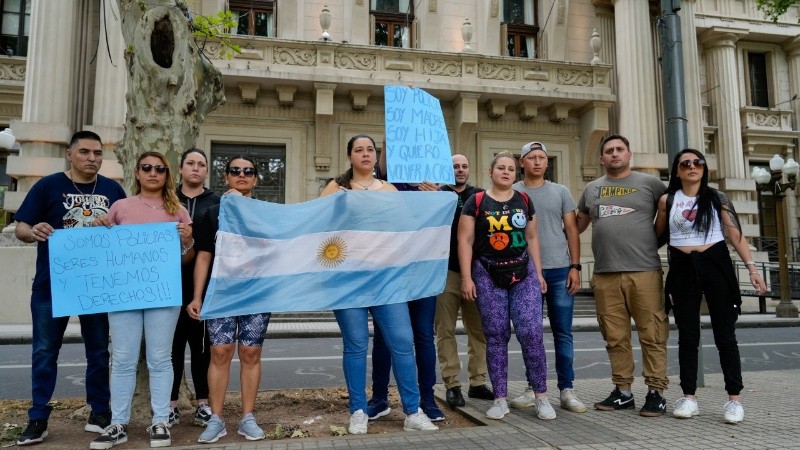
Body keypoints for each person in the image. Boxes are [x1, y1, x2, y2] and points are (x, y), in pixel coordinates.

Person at [13, 131, 126, 446]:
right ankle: (37, 419)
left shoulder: (112, 189)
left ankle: (100, 412)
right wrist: (33, 230)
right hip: (52, 285)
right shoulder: (48, 186)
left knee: (100, 351)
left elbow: (127, 230)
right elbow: (20, 226)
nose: (92, 158)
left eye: (98, 153)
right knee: (45, 351)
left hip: (96, 285)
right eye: (86, 152)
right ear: (70, 154)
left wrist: (114, 226)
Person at [320, 134, 439, 434]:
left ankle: (413, 412)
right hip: (347, 279)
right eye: (358, 150)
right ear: (350, 156)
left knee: (402, 340)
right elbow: (314, 223)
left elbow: (407, 225)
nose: (365, 154)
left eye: (370, 149)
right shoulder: (336, 187)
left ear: (376, 156)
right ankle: (358, 410)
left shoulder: (388, 189)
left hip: (387, 278)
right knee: (356, 344)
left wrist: (431, 198)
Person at [89, 151, 194, 449]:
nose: (153, 173)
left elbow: (186, 260)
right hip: (123, 293)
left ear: (166, 174)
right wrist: (99, 229)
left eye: (159, 169)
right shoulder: (120, 207)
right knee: (122, 359)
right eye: (146, 168)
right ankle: (118, 423)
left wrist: (187, 240)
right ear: (136, 172)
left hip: (163, 293)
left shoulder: (179, 210)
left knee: (160, 358)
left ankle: (160, 421)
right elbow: (103, 250)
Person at [655, 149, 767, 424]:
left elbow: (735, 235)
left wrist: (752, 268)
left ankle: (734, 400)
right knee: (688, 335)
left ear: (704, 168)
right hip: (682, 266)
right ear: (677, 170)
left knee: (725, 335)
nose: (692, 167)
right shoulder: (667, 200)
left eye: (697, 163)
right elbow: (656, 236)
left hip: (716, 264)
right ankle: (689, 397)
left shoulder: (717, 198)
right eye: (685, 164)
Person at [457, 151, 556, 421]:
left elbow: (532, 237)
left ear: (516, 174)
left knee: (531, 333)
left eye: (511, 169)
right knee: (496, 335)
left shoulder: (524, 199)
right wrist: (467, 278)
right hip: (488, 275)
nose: (506, 172)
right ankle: (500, 399)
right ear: (491, 172)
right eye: (501, 168)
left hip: (523, 274)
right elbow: (464, 241)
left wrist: (538, 273)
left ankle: (541, 396)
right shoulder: (476, 201)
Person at [576, 134, 669, 417]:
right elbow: (574, 227)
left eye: (620, 149)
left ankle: (656, 393)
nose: (615, 154)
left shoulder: (651, 184)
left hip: (644, 271)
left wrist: (651, 243)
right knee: (614, 337)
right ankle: (623, 392)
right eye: (609, 151)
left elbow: (669, 218)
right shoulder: (591, 189)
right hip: (605, 274)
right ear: (601, 158)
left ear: (629, 155)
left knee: (652, 334)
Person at [186, 156, 272, 444]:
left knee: (250, 354)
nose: (242, 175)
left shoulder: (265, 212)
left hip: (256, 293)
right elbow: (204, 256)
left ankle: (248, 417)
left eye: (249, 171)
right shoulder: (211, 212)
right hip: (221, 292)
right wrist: (198, 296)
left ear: (256, 179)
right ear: (226, 177)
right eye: (236, 170)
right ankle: (217, 418)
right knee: (220, 352)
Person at [363, 145, 449, 423]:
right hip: (389, 272)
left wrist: (434, 199)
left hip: (423, 273)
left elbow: (448, 221)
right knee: (385, 338)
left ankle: (427, 399)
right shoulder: (387, 183)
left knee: (423, 335)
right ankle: (379, 399)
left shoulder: (435, 188)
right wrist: (392, 137)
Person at [511, 141, 586, 413]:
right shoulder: (512, 192)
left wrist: (575, 266)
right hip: (525, 273)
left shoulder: (561, 191)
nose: (537, 162)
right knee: (530, 334)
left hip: (559, 270)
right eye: (531, 157)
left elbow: (572, 229)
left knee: (563, 332)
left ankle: (567, 390)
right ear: (522, 162)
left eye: (541, 157)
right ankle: (533, 388)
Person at [434, 154, 494, 408]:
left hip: (477, 273)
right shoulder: (436, 195)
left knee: (478, 330)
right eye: (455, 166)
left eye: (464, 166)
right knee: (445, 330)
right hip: (445, 272)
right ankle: (452, 385)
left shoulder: (480, 196)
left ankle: (478, 382)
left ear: (470, 169)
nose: (460, 170)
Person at [169, 148, 220, 428]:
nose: (196, 168)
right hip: (167, 287)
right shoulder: (166, 199)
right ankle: (171, 405)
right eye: (190, 163)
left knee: (203, 349)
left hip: (205, 286)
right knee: (172, 349)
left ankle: (203, 404)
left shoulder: (217, 202)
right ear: (180, 168)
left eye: (201, 164)